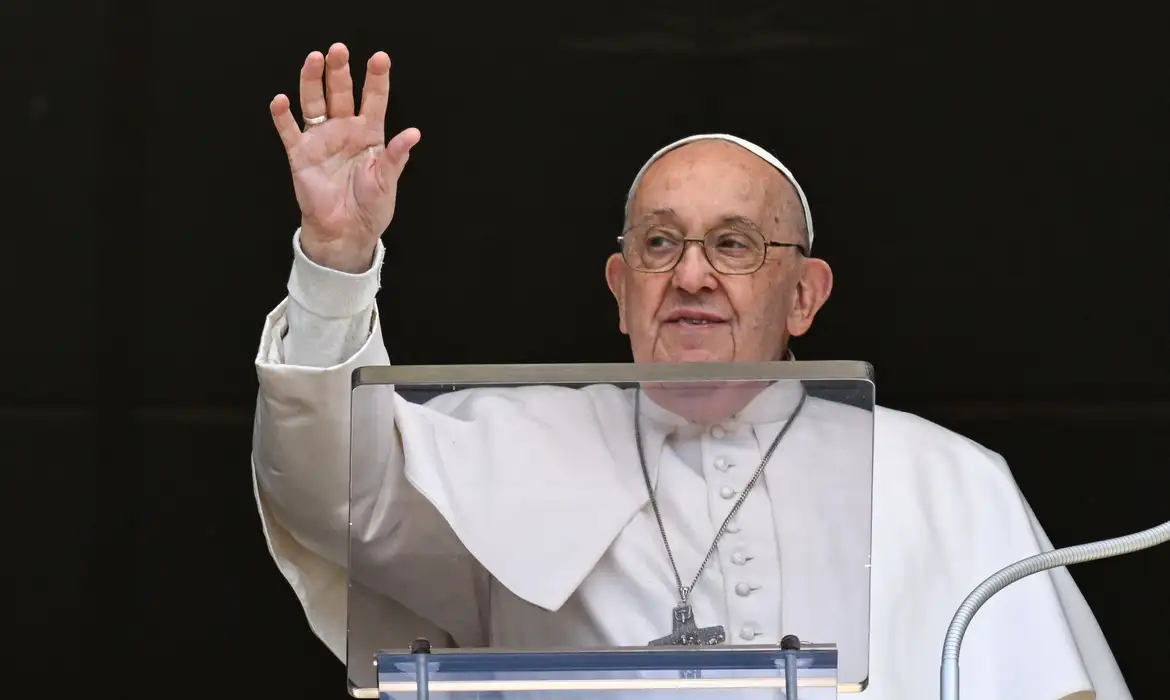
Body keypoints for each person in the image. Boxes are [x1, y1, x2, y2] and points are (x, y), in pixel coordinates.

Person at [252, 43, 1131, 700]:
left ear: (804, 296)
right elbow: (334, 498)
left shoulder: (948, 480)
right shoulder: (514, 445)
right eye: (660, 243)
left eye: (736, 244)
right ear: (621, 288)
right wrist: (335, 261)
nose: (693, 273)